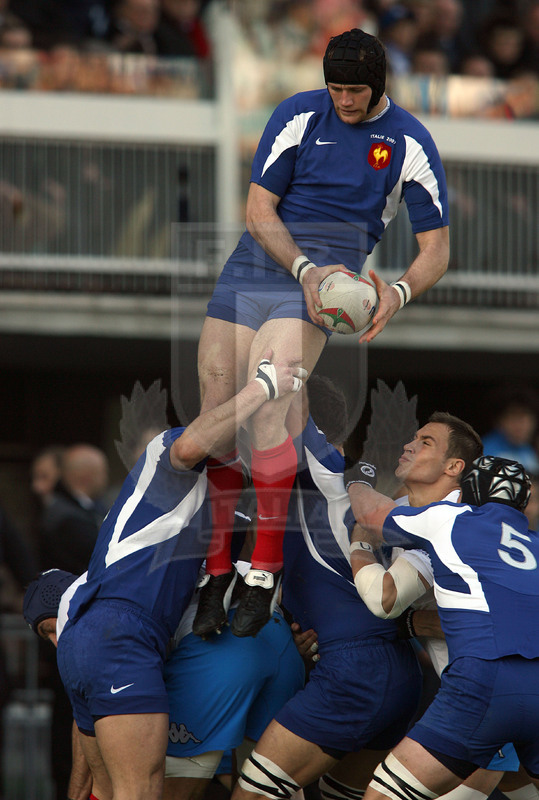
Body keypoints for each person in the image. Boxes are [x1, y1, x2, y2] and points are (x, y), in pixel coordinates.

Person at [194, 26, 450, 639]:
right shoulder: (297, 114)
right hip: (261, 265)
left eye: (355, 91)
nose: (344, 100)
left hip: (332, 280)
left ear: (378, 85)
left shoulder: (410, 140)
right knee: (215, 415)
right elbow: (258, 211)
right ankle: (215, 568)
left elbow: (435, 251)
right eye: (335, 88)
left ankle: (264, 569)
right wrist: (301, 269)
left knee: (268, 402)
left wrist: (397, 291)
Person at [51, 355, 305, 800]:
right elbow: (191, 445)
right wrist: (262, 387)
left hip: (106, 634)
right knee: (140, 791)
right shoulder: (169, 453)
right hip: (121, 631)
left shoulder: (217, 497)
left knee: (104, 791)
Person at [231, 375, 423, 800]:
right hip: (390, 669)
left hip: (355, 671)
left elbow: (294, 400)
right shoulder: (323, 487)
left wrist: (289, 329)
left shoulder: (331, 477)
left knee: (254, 795)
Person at [346, 414, 537, 800]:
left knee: (384, 794)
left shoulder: (449, 517)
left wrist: (355, 484)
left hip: (482, 684)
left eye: (425, 441)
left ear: (463, 478)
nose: (410, 445)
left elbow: (384, 595)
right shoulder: (532, 543)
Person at [39, 443, 109, 575]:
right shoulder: (68, 518)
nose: (106, 478)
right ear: (87, 477)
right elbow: (102, 554)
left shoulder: (87, 506)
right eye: (102, 473)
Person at [481, 386, 539, 476]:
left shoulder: (528, 451)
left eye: (524, 418)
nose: (520, 425)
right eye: (513, 417)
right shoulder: (485, 452)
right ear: (499, 420)